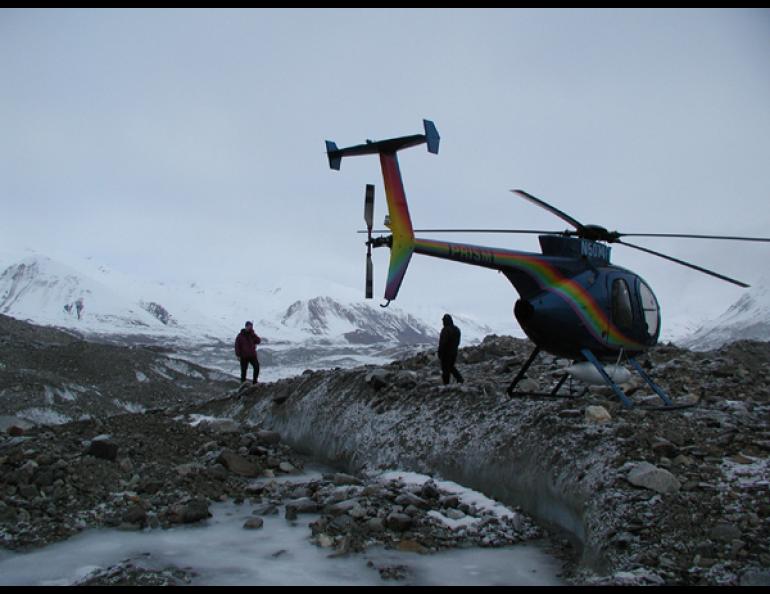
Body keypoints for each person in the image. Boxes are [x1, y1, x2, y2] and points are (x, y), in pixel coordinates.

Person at [438, 314, 464, 385]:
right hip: (454, 352)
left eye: (443, 321)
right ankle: (459, 379)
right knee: (451, 367)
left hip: (446, 353)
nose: (443, 322)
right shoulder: (457, 329)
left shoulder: (445, 330)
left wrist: (440, 353)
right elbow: (458, 342)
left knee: (445, 369)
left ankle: (446, 384)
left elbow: (442, 343)